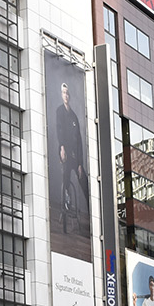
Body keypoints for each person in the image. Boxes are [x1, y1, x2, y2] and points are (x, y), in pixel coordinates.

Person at [54, 82, 86, 234]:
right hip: (64, 152)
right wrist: (62, 148)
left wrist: (80, 163)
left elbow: (79, 140)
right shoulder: (59, 111)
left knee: (83, 180)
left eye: (67, 93)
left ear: (70, 96)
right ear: (61, 95)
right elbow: (59, 130)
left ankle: (87, 209)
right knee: (65, 176)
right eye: (63, 93)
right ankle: (65, 203)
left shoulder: (74, 116)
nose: (65, 95)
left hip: (75, 155)